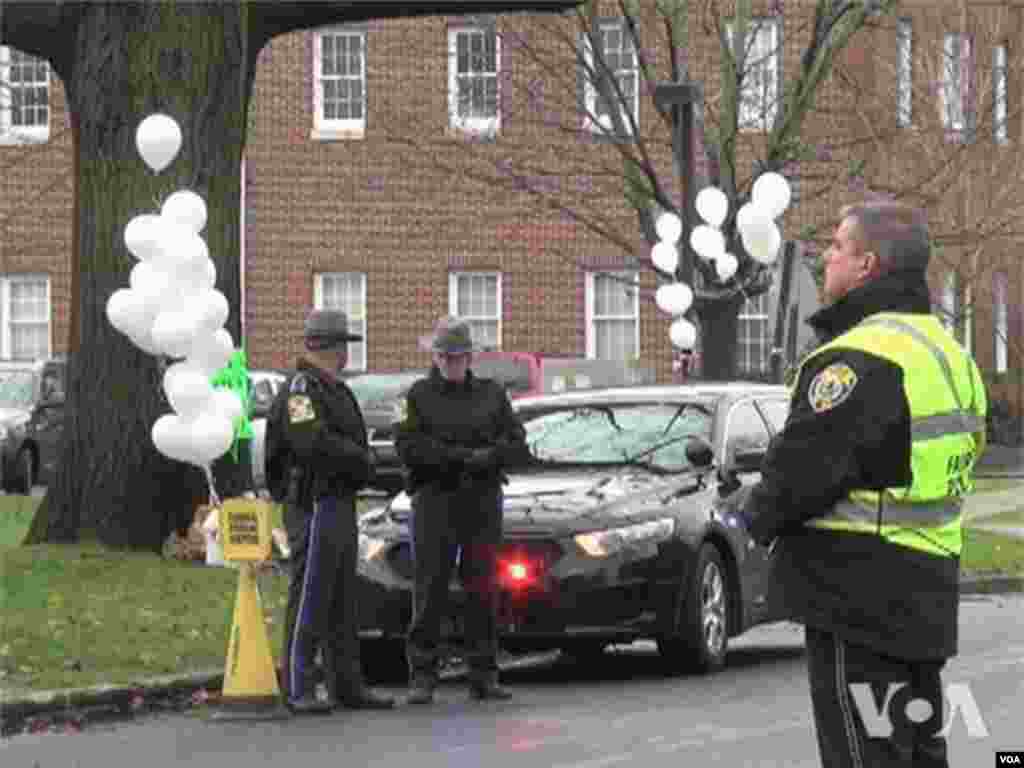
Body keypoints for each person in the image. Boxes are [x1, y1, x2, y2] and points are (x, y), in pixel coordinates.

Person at [739, 201, 987, 767]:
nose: (825, 257)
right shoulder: (950, 355)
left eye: (836, 247)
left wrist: (752, 520)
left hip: (856, 597)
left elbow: (801, 470)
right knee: (916, 751)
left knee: (862, 754)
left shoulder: (857, 358)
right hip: (925, 591)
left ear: (867, 264)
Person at [264, 308, 394, 714]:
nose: (346, 354)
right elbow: (311, 443)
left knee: (341, 596)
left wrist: (363, 462)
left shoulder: (334, 388)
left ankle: (346, 684)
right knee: (311, 594)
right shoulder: (303, 389)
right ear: (333, 347)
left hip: (339, 501)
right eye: (344, 346)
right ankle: (298, 685)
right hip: (314, 502)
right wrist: (360, 460)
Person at [392, 317, 528, 705]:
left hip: (481, 501)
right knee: (430, 587)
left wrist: (486, 457)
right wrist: (464, 458)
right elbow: (409, 447)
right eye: (444, 356)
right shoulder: (414, 396)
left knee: (482, 588)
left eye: (457, 356)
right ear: (434, 357)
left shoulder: (492, 394)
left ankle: (484, 673)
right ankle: (422, 675)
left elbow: (516, 441)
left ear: (470, 357)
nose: (450, 363)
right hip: (434, 499)